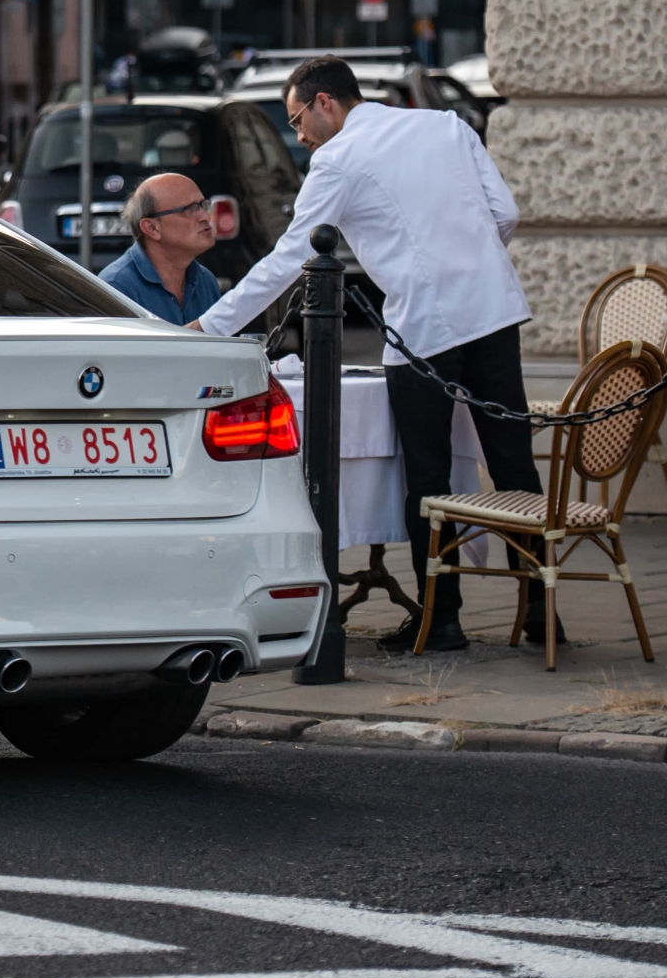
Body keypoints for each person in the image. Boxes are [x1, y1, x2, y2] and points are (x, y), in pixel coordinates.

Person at [195, 56, 543, 654]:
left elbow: (288, 260)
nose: (299, 136)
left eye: (299, 119)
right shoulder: (446, 125)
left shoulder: (338, 159)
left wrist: (209, 326)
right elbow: (505, 214)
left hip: (425, 329)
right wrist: (469, 264)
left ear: (326, 102)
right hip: (493, 310)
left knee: (428, 479)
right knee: (514, 467)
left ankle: (444, 618)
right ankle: (542, 614)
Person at [97, 173, 222, 327]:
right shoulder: (117, 287)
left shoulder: (205, 280)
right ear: (152, 228)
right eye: (189, 209)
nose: (206, 216)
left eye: (203, 206)